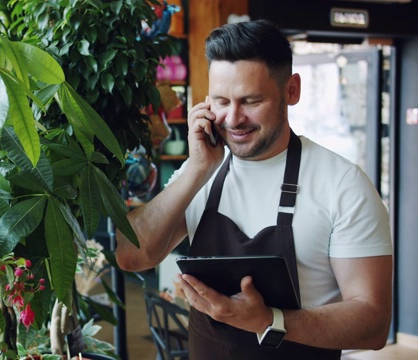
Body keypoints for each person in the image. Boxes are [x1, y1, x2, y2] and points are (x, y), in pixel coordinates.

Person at [115, 19, 392, 359]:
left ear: (291, 90)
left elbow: (374, 323)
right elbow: (131, 255)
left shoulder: (342, 184)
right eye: (220, 101)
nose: (232, 118)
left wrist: (269, 320)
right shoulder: (201, 172)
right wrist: (198, 168)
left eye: (250, 100)